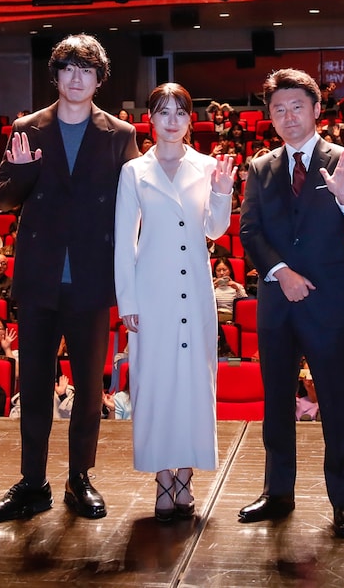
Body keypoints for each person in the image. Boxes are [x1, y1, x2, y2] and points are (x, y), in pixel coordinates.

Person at [0, 34, 140, 525]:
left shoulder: (120, 134)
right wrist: (23, 172)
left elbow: (134, 205)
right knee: (34, 384)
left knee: (89, 390)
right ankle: (32, 483)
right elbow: (1, 199)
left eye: (86, 71)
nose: (76, 78)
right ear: (56, 75)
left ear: (98, 79)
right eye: (68, 69)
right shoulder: (28, 128)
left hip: (92, 278)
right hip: (40, 276)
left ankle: (79, 479)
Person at [237, 68, 344, 540]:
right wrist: (281, 273)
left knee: (337, 403)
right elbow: (250, 233)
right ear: (269, 116)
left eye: (297, 106)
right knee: (277, 402)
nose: (288, 116)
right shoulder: (260, 168)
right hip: (278, 301)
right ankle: (278, 493)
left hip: (328, 306)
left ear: (317, 109)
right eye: (278, 108)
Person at [114, 82, 235, 522]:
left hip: (196, 293)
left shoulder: (206, 167)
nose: (171, 120)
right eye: (162, 111)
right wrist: (127, 297)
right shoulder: (134, 172)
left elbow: (215, 231)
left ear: (190, 120)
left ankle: (185, 482)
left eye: (179, 112)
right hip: (152, 293)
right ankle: (163, 483)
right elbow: (125, 241)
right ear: (150, 118)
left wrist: (222, 192)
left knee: (192, 386)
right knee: (155, 386)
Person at [211, 257, 248, 323]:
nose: (222, 273)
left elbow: (244, 305)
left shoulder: (237, 286)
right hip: (213, 316)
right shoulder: (211, 287)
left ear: (230, 270)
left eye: (224, 270)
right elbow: (204, 303)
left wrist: (237, 289)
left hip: (230, 317)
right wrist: (213, 287)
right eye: (218, 270)